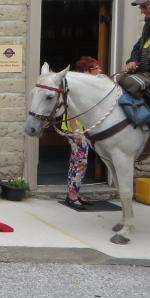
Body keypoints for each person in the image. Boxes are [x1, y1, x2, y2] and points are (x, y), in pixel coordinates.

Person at [62, 56, 102, 208]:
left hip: (79, 129)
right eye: (96, 67)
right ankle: (72, 197)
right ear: (87, 70)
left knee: (76, 162)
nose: (100, 70)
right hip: (75, 130)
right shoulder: (77, 86)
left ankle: (73, 194)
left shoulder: (86, 85)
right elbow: (70, 108)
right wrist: (77, 130)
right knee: (80, 163)